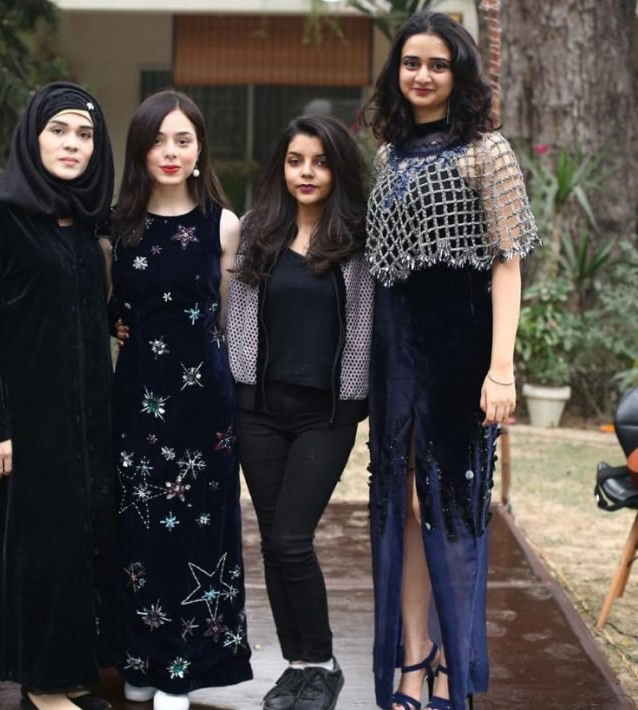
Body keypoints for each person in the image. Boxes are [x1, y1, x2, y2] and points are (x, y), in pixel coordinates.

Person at [362, 12, 539, 710]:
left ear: (458, 72)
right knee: (404, 511)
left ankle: (451, 668)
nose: (423, 75)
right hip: (395, 357)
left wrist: (502, 368)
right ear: (397, 71)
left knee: (450, 514)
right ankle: (414, 659)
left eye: (438, 64)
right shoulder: (387, 155)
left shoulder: (486, 152)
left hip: (459, 357)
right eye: (412, 62)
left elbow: (507, 263)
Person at [0, 82, 118, 710]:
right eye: (59, 130)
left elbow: (82, 309)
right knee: (43, 548)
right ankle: (44, 687)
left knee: (82, 544)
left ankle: (70, 673)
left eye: (85, 134)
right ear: (33, 136)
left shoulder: (86, 222)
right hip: (31, 418)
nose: (72, 144)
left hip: (91, 414)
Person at [108, 90, 252, 710]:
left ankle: (182, 670)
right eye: (158, 140)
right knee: (139, 533)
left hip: (203, 410)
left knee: (199, 535)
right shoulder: (117, 226)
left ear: (199, 150)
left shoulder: (223, 224)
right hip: (137, 403)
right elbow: (108, 307)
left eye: (183, 140)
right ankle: (141, 657)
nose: (170, 152)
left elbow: (228, 320)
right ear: (140, 150)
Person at [227, 114, 374, 710]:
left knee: (292, 539)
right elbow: (233, 313)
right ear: (281, 167)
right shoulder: (256, 231)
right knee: (272, 542)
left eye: (319, 162)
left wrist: (356, 402)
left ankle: (322, 663)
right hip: (258, 410)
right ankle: (298, 666)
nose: (306, 173)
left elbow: (366, 324)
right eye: (295, 161)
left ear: (338, 170)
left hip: (325, 415)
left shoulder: (359, 241)